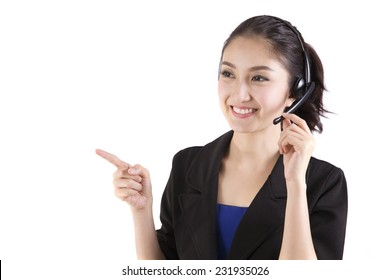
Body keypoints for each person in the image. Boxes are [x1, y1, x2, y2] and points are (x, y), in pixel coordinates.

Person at [96, 15, 348, 260]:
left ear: (296, 91)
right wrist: (141, 211)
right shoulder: (188, 165)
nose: (239, 94)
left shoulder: (323, 182)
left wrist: (295, 184)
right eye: (228, 74)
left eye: (259, 78)